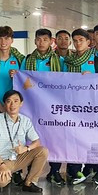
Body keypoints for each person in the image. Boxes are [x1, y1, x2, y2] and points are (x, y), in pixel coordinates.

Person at [62, 29, 98, 184]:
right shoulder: (67, 61)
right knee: (73, 139)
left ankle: (97, 169)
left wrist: (92, 79)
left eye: (81, 40)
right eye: (75, 40)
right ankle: (75, 171)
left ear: (89, 42)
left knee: (94, 139)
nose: (78, 43)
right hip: (72, 107)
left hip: (93, 108)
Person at [0, 90, 48, 193]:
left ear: (21, 104)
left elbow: (37, 142)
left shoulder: (26, 120)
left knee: (43, 151)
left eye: (16, 101)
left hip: (18, 157)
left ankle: (29, 183)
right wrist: (2, 165)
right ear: (5, 104)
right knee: (1, 182)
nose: (12, 105)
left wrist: (26, 148)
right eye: (9, 101)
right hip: (1, 159)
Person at [22, 29, 63, 186]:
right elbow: (23, 79)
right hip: (33, 106)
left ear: (50, 41)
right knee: (34, 137)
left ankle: (55, 171)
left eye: (45, 39)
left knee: (54, 138)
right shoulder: (27, 60)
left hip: (53, 106)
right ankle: (32, 173)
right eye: (38, 39)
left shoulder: (58, 60)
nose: (41, 42)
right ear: (34, 41)